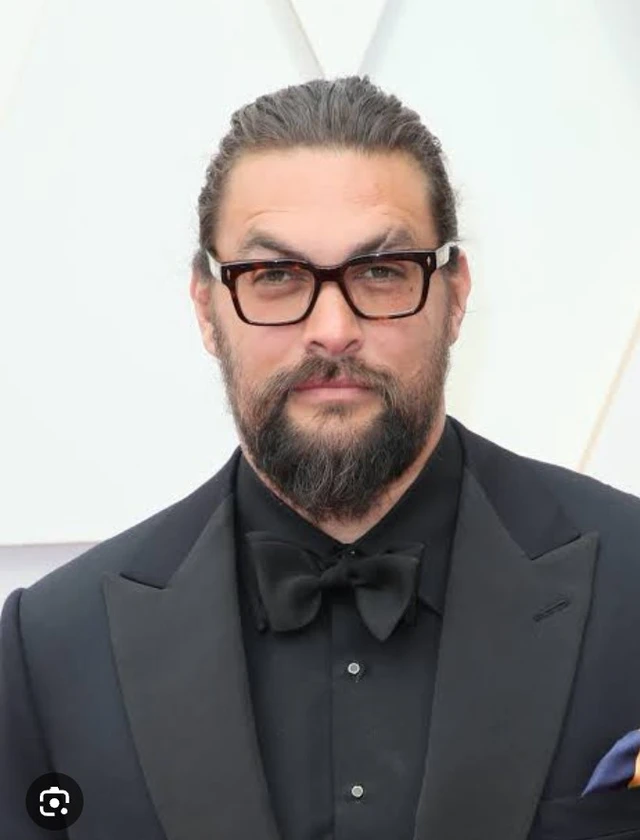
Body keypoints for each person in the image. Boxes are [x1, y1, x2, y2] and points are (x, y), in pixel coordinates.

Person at [1, 75, 640, 840]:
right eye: (274, 276)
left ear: (455, 294)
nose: (332, 329)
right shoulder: (49, 648)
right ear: (206, 307)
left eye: (381, 271)